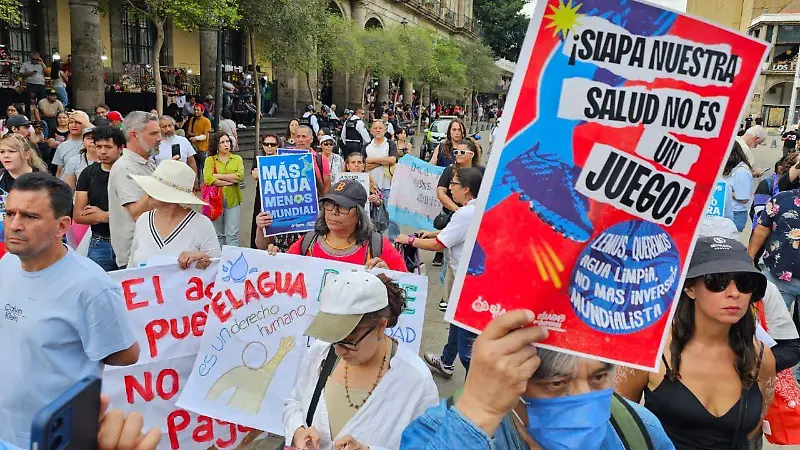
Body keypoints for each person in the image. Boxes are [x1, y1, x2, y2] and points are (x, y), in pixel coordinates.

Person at [400, 310, 675, 450]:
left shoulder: (639, 432)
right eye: (557, 384)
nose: (582, 400)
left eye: (599, 377)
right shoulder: (437, 432)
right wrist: (478, 413)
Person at [0, 172, 139, 448]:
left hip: (50, 439)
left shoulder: (91, 287)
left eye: (30, 216)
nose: (14, 225)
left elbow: (125, 353)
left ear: (62, 226)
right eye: (10, 213)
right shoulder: (7, 264)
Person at [617, 236, 776, 450]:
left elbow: (753, 430)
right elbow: (619, 425)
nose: (734, 293)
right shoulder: (649, 351)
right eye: (716, 281)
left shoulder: (761, 357)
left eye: (744, 283)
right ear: (690, 288)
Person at [283, 271, 439, 450]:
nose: (339, 350)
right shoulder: (321, 351)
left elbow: (430, 445)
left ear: (381, 326)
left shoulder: (416, 381)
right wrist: (299, 431)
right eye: (334, 338)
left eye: (349, 341)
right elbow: (294, 402)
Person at [396, 167, 483, 376]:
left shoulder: (464, 213)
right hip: (474, 276)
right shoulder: (477, 208)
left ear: (466, 189)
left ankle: (477, 388)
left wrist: (409, 240)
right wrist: (432, 233)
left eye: (453, 184)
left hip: (467, 282)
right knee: (455, 322)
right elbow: (455, 232)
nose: (450, 188)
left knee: (467, 346)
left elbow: (438, 245)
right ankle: (446, 360)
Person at [259, 179, 407, 272]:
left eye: (342, 207)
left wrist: (388, 276)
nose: (333, 212)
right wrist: (276, 260)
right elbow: (285, 278)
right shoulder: (307, 243)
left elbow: (406, 291)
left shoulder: (378, 246)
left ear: (359, 215)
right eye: (329, 204)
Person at [128, 160, 221, 268]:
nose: (148, 192)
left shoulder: (201, 224)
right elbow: (131, 267)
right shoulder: (143, 220)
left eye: (156, 187)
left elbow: (217, 269)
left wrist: (201, 259)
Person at [108, 111, 161, 269]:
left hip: (151, 252)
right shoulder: (124, 168)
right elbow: (137, 213)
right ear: (134, 135)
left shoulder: (148, 163)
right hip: (134, 258)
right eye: (153, 133)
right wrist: (162, 178)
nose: (160, 138)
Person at [74, 127, 125, 272]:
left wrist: (103, 215)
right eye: (98, 147)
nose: (102, 151)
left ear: (120, 148)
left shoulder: (129, 172)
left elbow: (137, 212)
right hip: (100, 243)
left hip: (127, 242)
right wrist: (113, 216)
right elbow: (78, 216)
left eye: (108, 147)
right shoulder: (89, 173)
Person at [203, 131, 243, 247]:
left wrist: (218, 177)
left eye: (227, 141)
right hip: (215, 200)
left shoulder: (237, 159)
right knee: (218, 234)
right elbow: (208, 179)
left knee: (232, 234)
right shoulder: (210, 160)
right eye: (222, 142)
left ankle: (232, 260)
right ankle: (221, 260)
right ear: (216, 145)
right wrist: (229, 181)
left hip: (233, 200)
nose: (226, 145)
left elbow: (239, 177)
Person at [363, 120, 399, 239]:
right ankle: (376, 241)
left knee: (392, 216)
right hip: (372, 188)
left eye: (380, 128)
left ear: (385, 130)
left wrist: (372, 160)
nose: (378, 130)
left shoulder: (390, 144)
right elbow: (364, 166)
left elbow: (392, 160)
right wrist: (383, 160)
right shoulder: (366, 146)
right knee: (373, 217)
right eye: (375, 128)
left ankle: (395, 241)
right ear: (371, 130)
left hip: (388, 186)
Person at [722, 140, 753, 232]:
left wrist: (724, 190)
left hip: (735, 214)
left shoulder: (741, 172)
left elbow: (743, 197)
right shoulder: (732, 169)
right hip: (729, 211)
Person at [53, 110, 91, 180]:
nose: (74, 125)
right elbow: (59, 171)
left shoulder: (93, 144)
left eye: (79, 122)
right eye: (71, 122)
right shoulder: (62, 146)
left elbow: (102, 135)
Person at [295, 125, 332, 196]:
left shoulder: (321, 159)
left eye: (304, 136)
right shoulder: (286, 156)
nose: (300, 140)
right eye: (298, 136)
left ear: (311, 139)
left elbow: (327, 185)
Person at [186, 104, 212, 175]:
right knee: (195, 168)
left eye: (198, 110)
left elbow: (205, 136)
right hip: (194, 148)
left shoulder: (206, 121)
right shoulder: (192, 119)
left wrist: (196, 137)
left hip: (203, 149)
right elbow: (189, 132)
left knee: (204, 168)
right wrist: (196, 136)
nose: (196, 112)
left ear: (202, 111)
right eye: (195, 110)